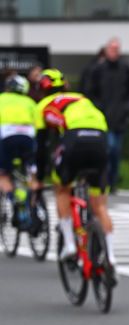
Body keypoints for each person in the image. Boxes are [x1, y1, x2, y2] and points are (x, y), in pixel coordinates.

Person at [33, 68, 117, 271]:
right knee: (99, 206)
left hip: (74, 139)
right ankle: (111, 257)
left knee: (61, 188)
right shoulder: (81, 99)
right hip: (100, 140)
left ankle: (70, 244)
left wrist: (39, 177)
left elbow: (42, 147)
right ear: (66, 85)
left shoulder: (43, 105)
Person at [80, 38, 129, 193]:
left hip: (120, 119)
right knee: (107, 149)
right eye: (112, 48)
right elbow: (89, 91)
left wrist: (126, 109)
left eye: (116, 49)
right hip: (102, 118)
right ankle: (104, 179)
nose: (114, 51)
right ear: (106, 50)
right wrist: (98, 109)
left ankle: (112, 180)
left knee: (116, 152)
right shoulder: (97, 70)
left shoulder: (126, 69)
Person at [0, 75, 37, 215]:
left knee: (2, 174)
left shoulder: (1, 98)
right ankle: (33, 206)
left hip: (7, 137)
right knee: (31, 173)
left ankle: (14, 199)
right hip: (28, 137)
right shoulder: (30, 102)